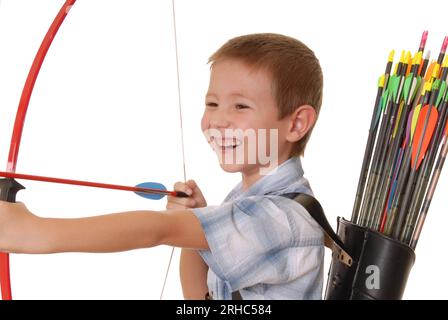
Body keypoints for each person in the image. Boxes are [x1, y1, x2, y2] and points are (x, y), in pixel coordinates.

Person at [0, 33, 324, 300]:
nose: (219, 120)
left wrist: (35, 232)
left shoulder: (284, 219)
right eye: (212, 103)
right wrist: (193, 225)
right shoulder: (246, 200)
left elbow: (157, 230)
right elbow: (197, 301)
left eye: (241, 106)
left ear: (296, 124)